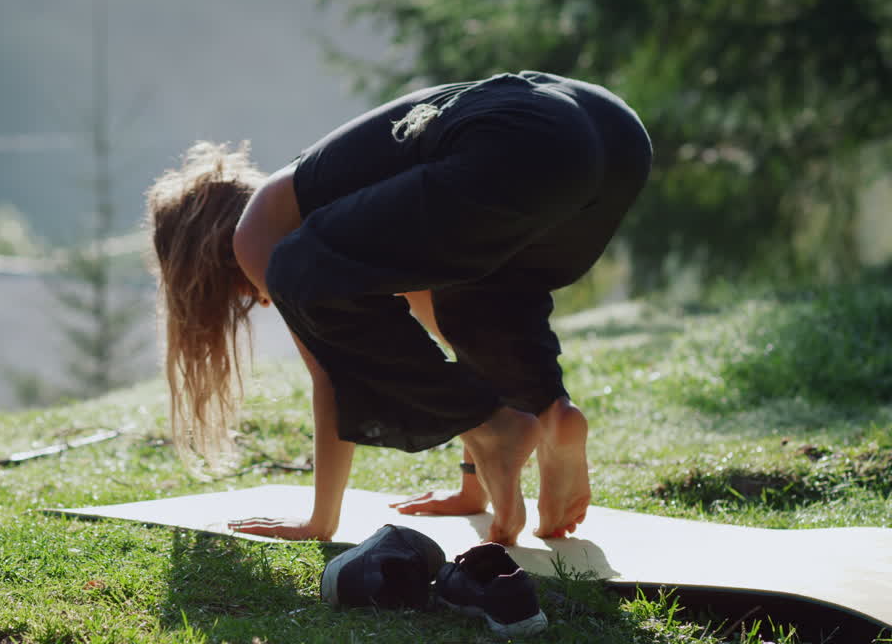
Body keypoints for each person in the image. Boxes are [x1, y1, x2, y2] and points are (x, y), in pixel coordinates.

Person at [146, 71, 651, 545]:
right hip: (609, 139)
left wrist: (320, 521)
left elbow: (332, 377)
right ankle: (551, 411)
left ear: (209, 267)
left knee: (298, 274)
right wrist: (472, 489)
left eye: (238, 297)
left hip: (519, 140)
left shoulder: (256, 233)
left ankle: (498, 428)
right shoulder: (370, 210)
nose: (255, 300)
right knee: (477, 297)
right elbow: (449, 340)